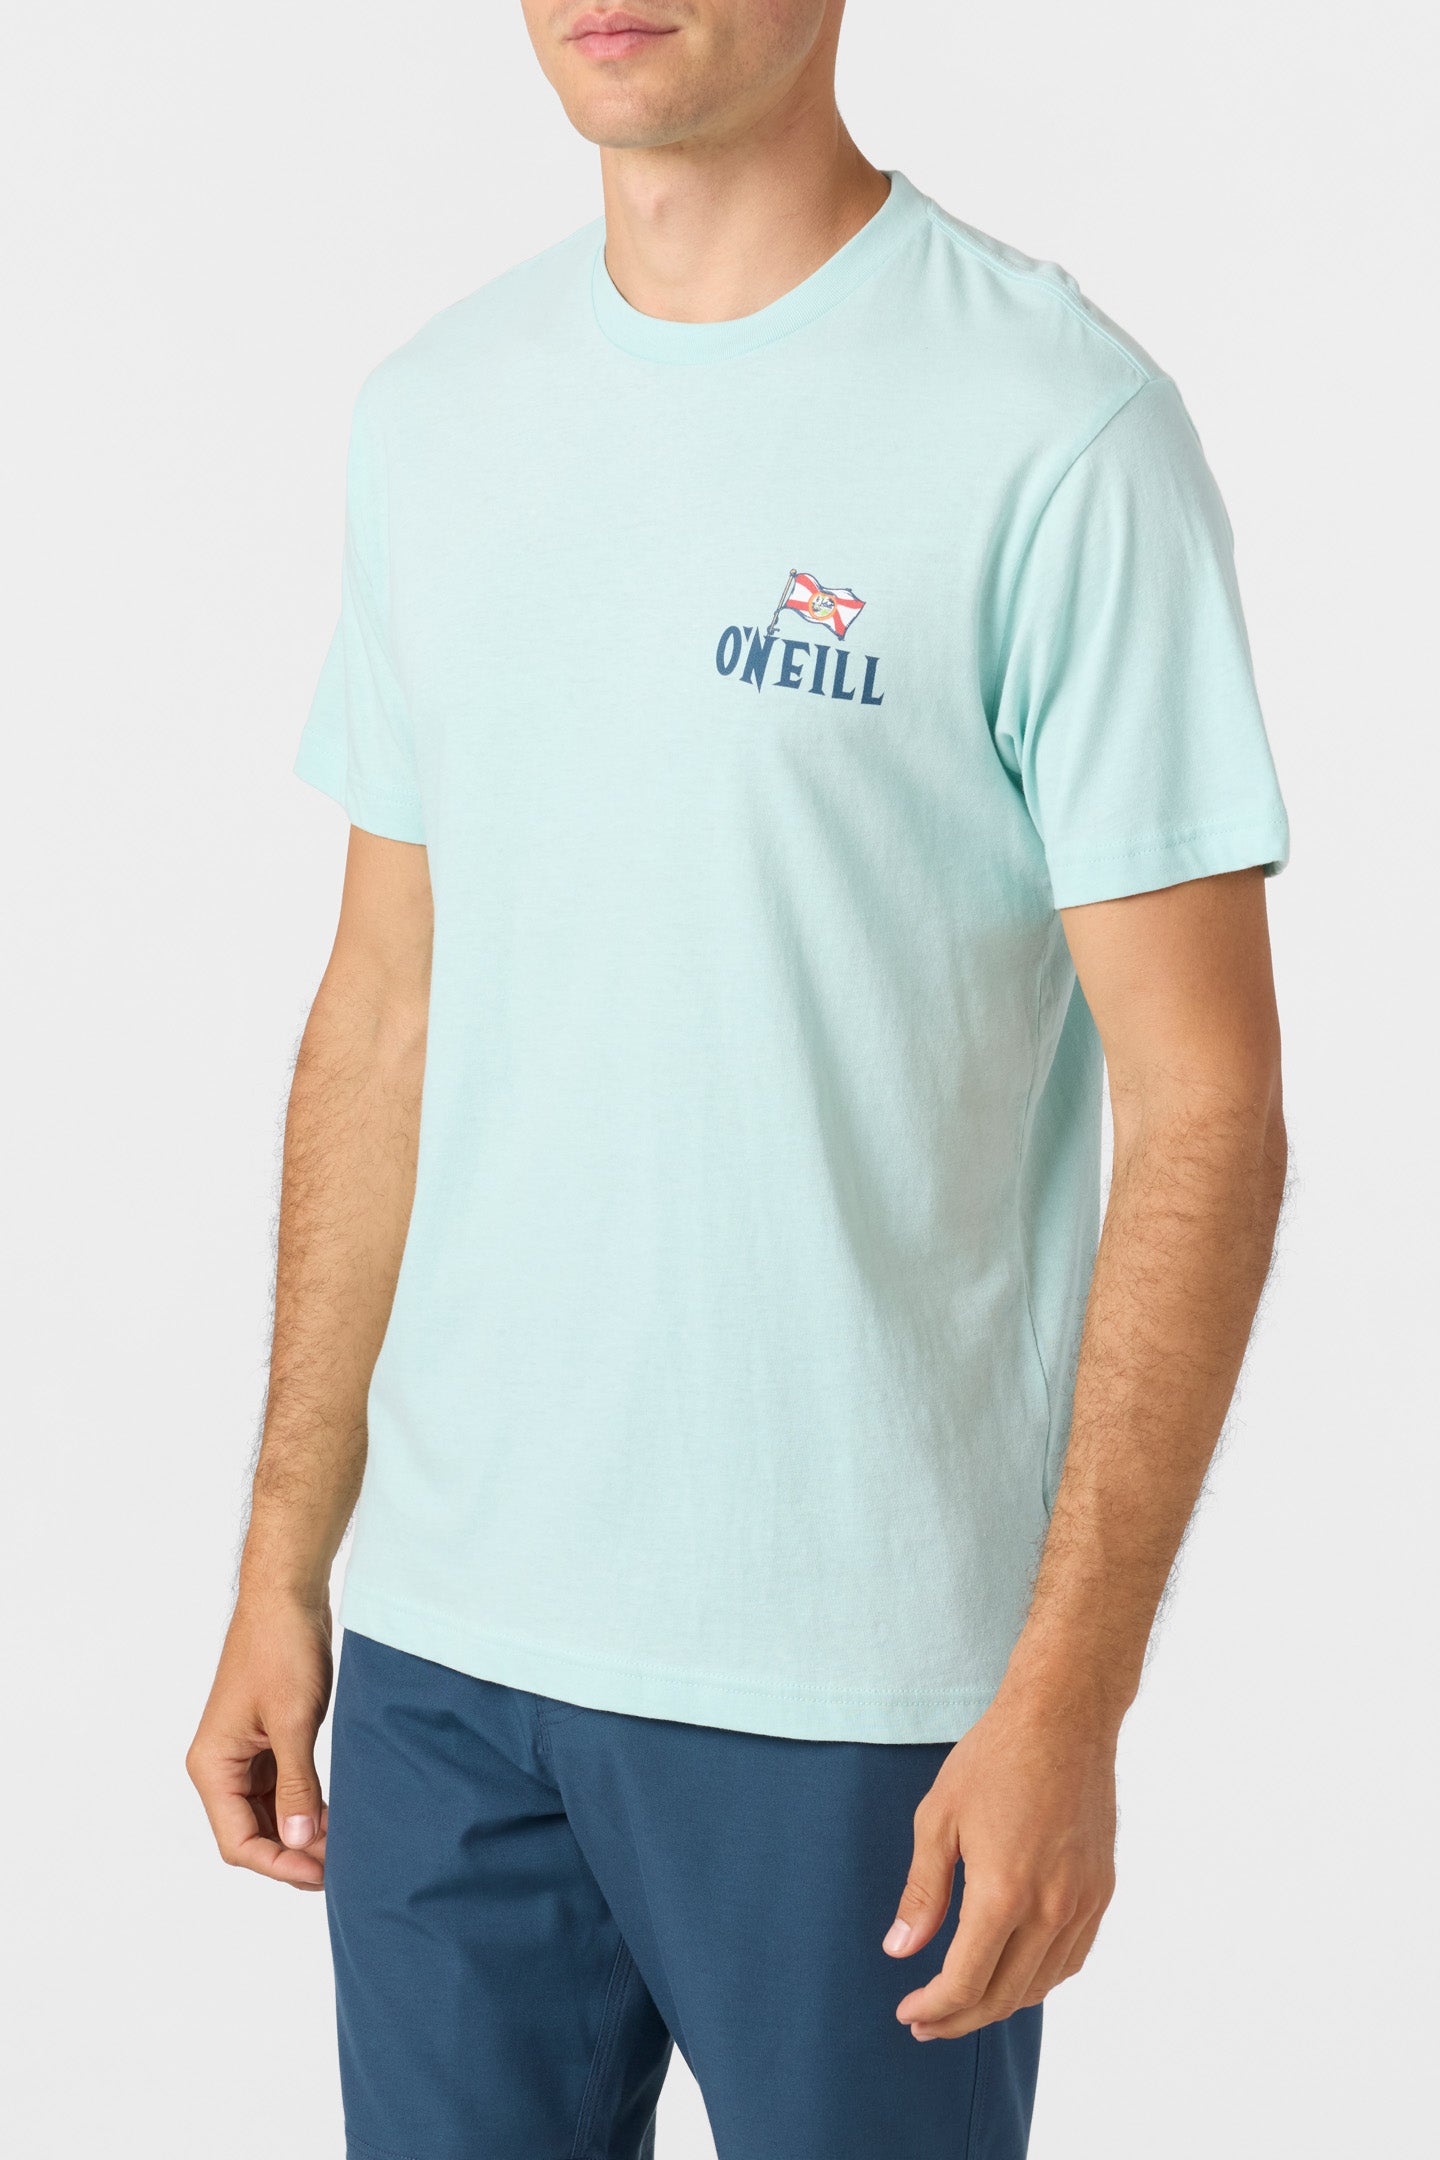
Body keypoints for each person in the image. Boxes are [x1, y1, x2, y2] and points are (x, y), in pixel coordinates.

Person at [187, 5, 1289, 2155]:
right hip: (444, 1673)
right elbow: (386, 1008)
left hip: (854, 1699)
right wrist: (281, 1562)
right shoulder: (437, 415)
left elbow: (1209, 1109)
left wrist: (1068, 1698)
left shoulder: (1055, 426)